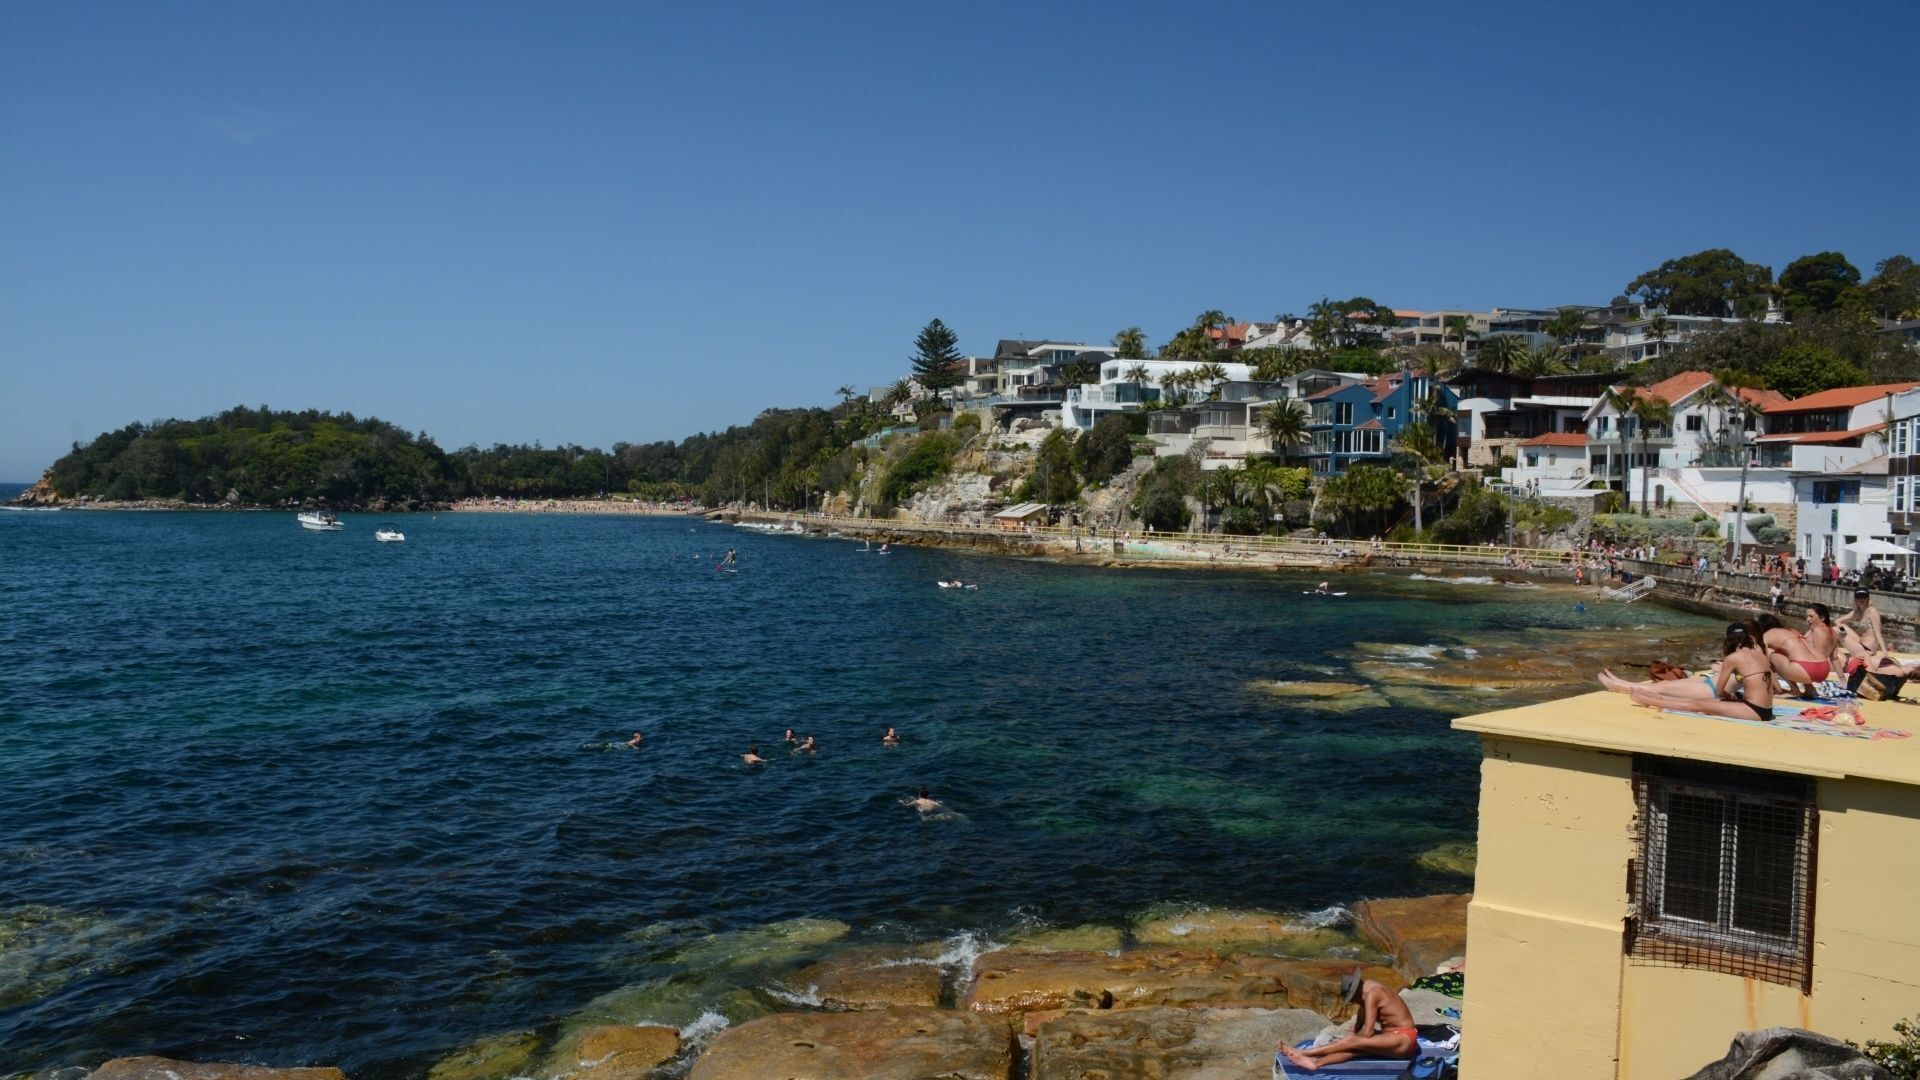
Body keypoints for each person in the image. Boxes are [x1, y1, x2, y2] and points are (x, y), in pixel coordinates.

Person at [1599, 624, 1776, 722]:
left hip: (1754, 710)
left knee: (1697, 705)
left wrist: (1729, 697)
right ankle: (1646, 695)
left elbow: (1721, 691)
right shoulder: (1760, 653)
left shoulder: (1735, 658)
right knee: (1692, 701)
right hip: (1763, 709)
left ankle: (1647, 699)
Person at [1277, 970, 1418, 1071]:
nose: (1353, 1002)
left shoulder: (1373, 994)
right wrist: (1355, 1036)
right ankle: (1316, 1062)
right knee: (1354, 1049)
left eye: (1352, 998)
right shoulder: (1368, 990)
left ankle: (1305, 1053)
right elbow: (1360, 1022)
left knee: (1352, 1042)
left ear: (1356, 992)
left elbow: (1367, 1032)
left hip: (1405, 1038)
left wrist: (1351, 1040)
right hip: (1394, 1039)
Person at [1837, 589, 1887, 658]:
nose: (1861, 600)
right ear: (1855, 599)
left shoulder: (1872, 611)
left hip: (1867, 649)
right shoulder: (1857, 612)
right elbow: (1837, 621)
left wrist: (1884, 652)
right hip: (1860, 644)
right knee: (1840, 626)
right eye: (1859, 597)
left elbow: (1878, 633)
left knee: (1835, 629)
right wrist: (1841, 628)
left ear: (1868, 598)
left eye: (1864, 597)